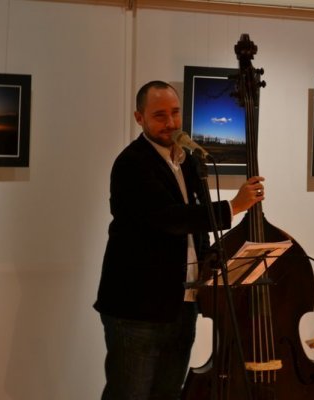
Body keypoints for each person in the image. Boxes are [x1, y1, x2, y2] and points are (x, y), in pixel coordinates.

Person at [93, 80, 265, 400]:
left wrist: (210, 266)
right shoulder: (132, 163)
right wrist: (233, 207)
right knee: (129, 394)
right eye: (159, 115)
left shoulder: (190, 162)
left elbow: (197, 227)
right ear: (139, 117)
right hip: (137, 309)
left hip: (181, 304)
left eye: (175, 113)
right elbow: (169, 219)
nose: (171, 123)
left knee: (168, 394)